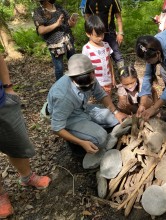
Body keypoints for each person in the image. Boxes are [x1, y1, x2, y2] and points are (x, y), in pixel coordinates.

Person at [0, 55, 51, 218]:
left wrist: (8, 86)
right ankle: (0, 195)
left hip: (1, 101)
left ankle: (27, 176)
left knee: (16, 142)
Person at [45, 54, 127, 154]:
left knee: (115, 119)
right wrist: (81, 142)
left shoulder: (90, 76)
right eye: (83, 87)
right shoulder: (62, 96)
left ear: (93, 72)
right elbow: (56, 128)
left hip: (83, 108)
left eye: (90, 83)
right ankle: (73, 139)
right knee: (101, 138)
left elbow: (101, 95)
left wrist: (116, 112)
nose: (88, 86)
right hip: (69, 117)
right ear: (72, 78)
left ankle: (88, 130)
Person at [33, 0, 77, 81]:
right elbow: (41, 30)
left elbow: (68, 24)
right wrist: (56, 24)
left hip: (68, 39)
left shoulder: (59, 7)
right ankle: (60, 89)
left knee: (73, 63)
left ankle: (76, 83)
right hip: (55, 44)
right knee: (59, 68)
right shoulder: (39, 11)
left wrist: (71, 23)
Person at [84, 0, 124, 69]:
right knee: (95, 55)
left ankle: (123, 73)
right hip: (95, 34)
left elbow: (118, 17)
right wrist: (90, 32)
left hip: (109, 32)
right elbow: (87, 16)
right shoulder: (89, 1)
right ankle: (98, 74)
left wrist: (120, 33)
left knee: (116, 55)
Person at [82, 15, 115, 96]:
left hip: (107, 80)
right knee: (99, 99)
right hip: (96, 82)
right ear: (88, 34)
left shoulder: (106, 45)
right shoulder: (87, 48)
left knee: (108, 99)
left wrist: (113, 77)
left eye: (102, 34)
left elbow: (109, 62)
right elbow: (85, 67)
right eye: (97, 36)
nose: (100, 38)